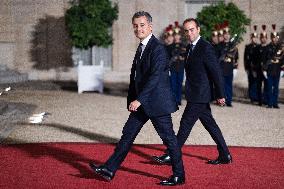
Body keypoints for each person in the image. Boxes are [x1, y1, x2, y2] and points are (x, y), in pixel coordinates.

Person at [89, 11, 185, 186]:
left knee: (169, 139)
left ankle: (179, 175)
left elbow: (155, 78)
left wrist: (139, 100)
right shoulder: (142, 47)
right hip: (143, 102)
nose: (138, 29)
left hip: (157, 103)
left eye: (142, 25)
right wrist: (133, 100)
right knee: (127, 134)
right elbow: (137, 78)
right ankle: (110, 169)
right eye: (135, 26)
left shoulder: (158, 48)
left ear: (150, 26)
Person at [152, 18, 232, 165]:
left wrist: (221, 94)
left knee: (185, 124)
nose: (189, 33)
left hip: (200, 94)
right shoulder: (189, 48)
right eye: (186, 31)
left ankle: (172, 154)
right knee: (210, 125)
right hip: (195, 92)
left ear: (198, 29)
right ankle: (225, 155)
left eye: (192, 29)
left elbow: (216, 72)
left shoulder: (205, 47)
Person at [263, 24, 284, 108]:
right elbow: (264, 60)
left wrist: (283, 69)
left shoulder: (280, 48)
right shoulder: (267, 48)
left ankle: (275, 103)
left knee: (276, 88)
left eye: (276, 37)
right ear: (271, 38)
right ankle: (269, 103)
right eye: (274, 37)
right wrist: (264, 70)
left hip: (277, 70)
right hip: (270, 70)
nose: (275, 39)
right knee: (269, 88)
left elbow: (283, 60)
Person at [219, 25, 239, 107]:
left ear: (230, 35)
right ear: (223, 35)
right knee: (222, 86)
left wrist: (235, 69)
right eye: (225, 34)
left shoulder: (233, 46)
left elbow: (236, 58)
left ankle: (229, 101)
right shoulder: (220, 45)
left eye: (228, 34)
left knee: (229, 86)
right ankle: (222, 102)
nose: (226, 35)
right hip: (221, 69)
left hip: (230, 69)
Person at [169, 21, 186, 105]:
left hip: (180, 68)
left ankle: (178, 100)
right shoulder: (170, 46)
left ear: (180, 36)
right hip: (172, 68)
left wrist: (182, 57)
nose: (176, 36)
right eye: (175, 35)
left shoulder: (183, 46)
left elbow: (186, 56)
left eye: (178, 35)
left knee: (179, 85)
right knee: (173, 85)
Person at [244, 26, 259, 104]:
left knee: (257, 83)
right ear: (251, 38)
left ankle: (257, 97)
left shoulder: (259, 47)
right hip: (250, 68)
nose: (254, 39)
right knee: (251, 82)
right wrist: (246, 68)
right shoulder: (248, 47)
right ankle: (252, 97)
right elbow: (245, 58)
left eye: (256, 38)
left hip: (257, 68)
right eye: (253, 38)